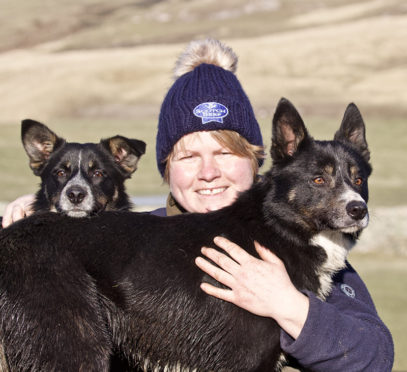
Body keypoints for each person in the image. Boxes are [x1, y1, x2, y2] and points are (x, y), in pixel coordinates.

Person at [2, 38, 394, 371]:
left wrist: (288, 304)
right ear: (166, 169)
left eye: (225, 153)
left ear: (257, 160)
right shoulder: (133, 235)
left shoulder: (309, 248)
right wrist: (32, 218)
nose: (208, 172)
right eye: (188, 157)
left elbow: (374, 356)